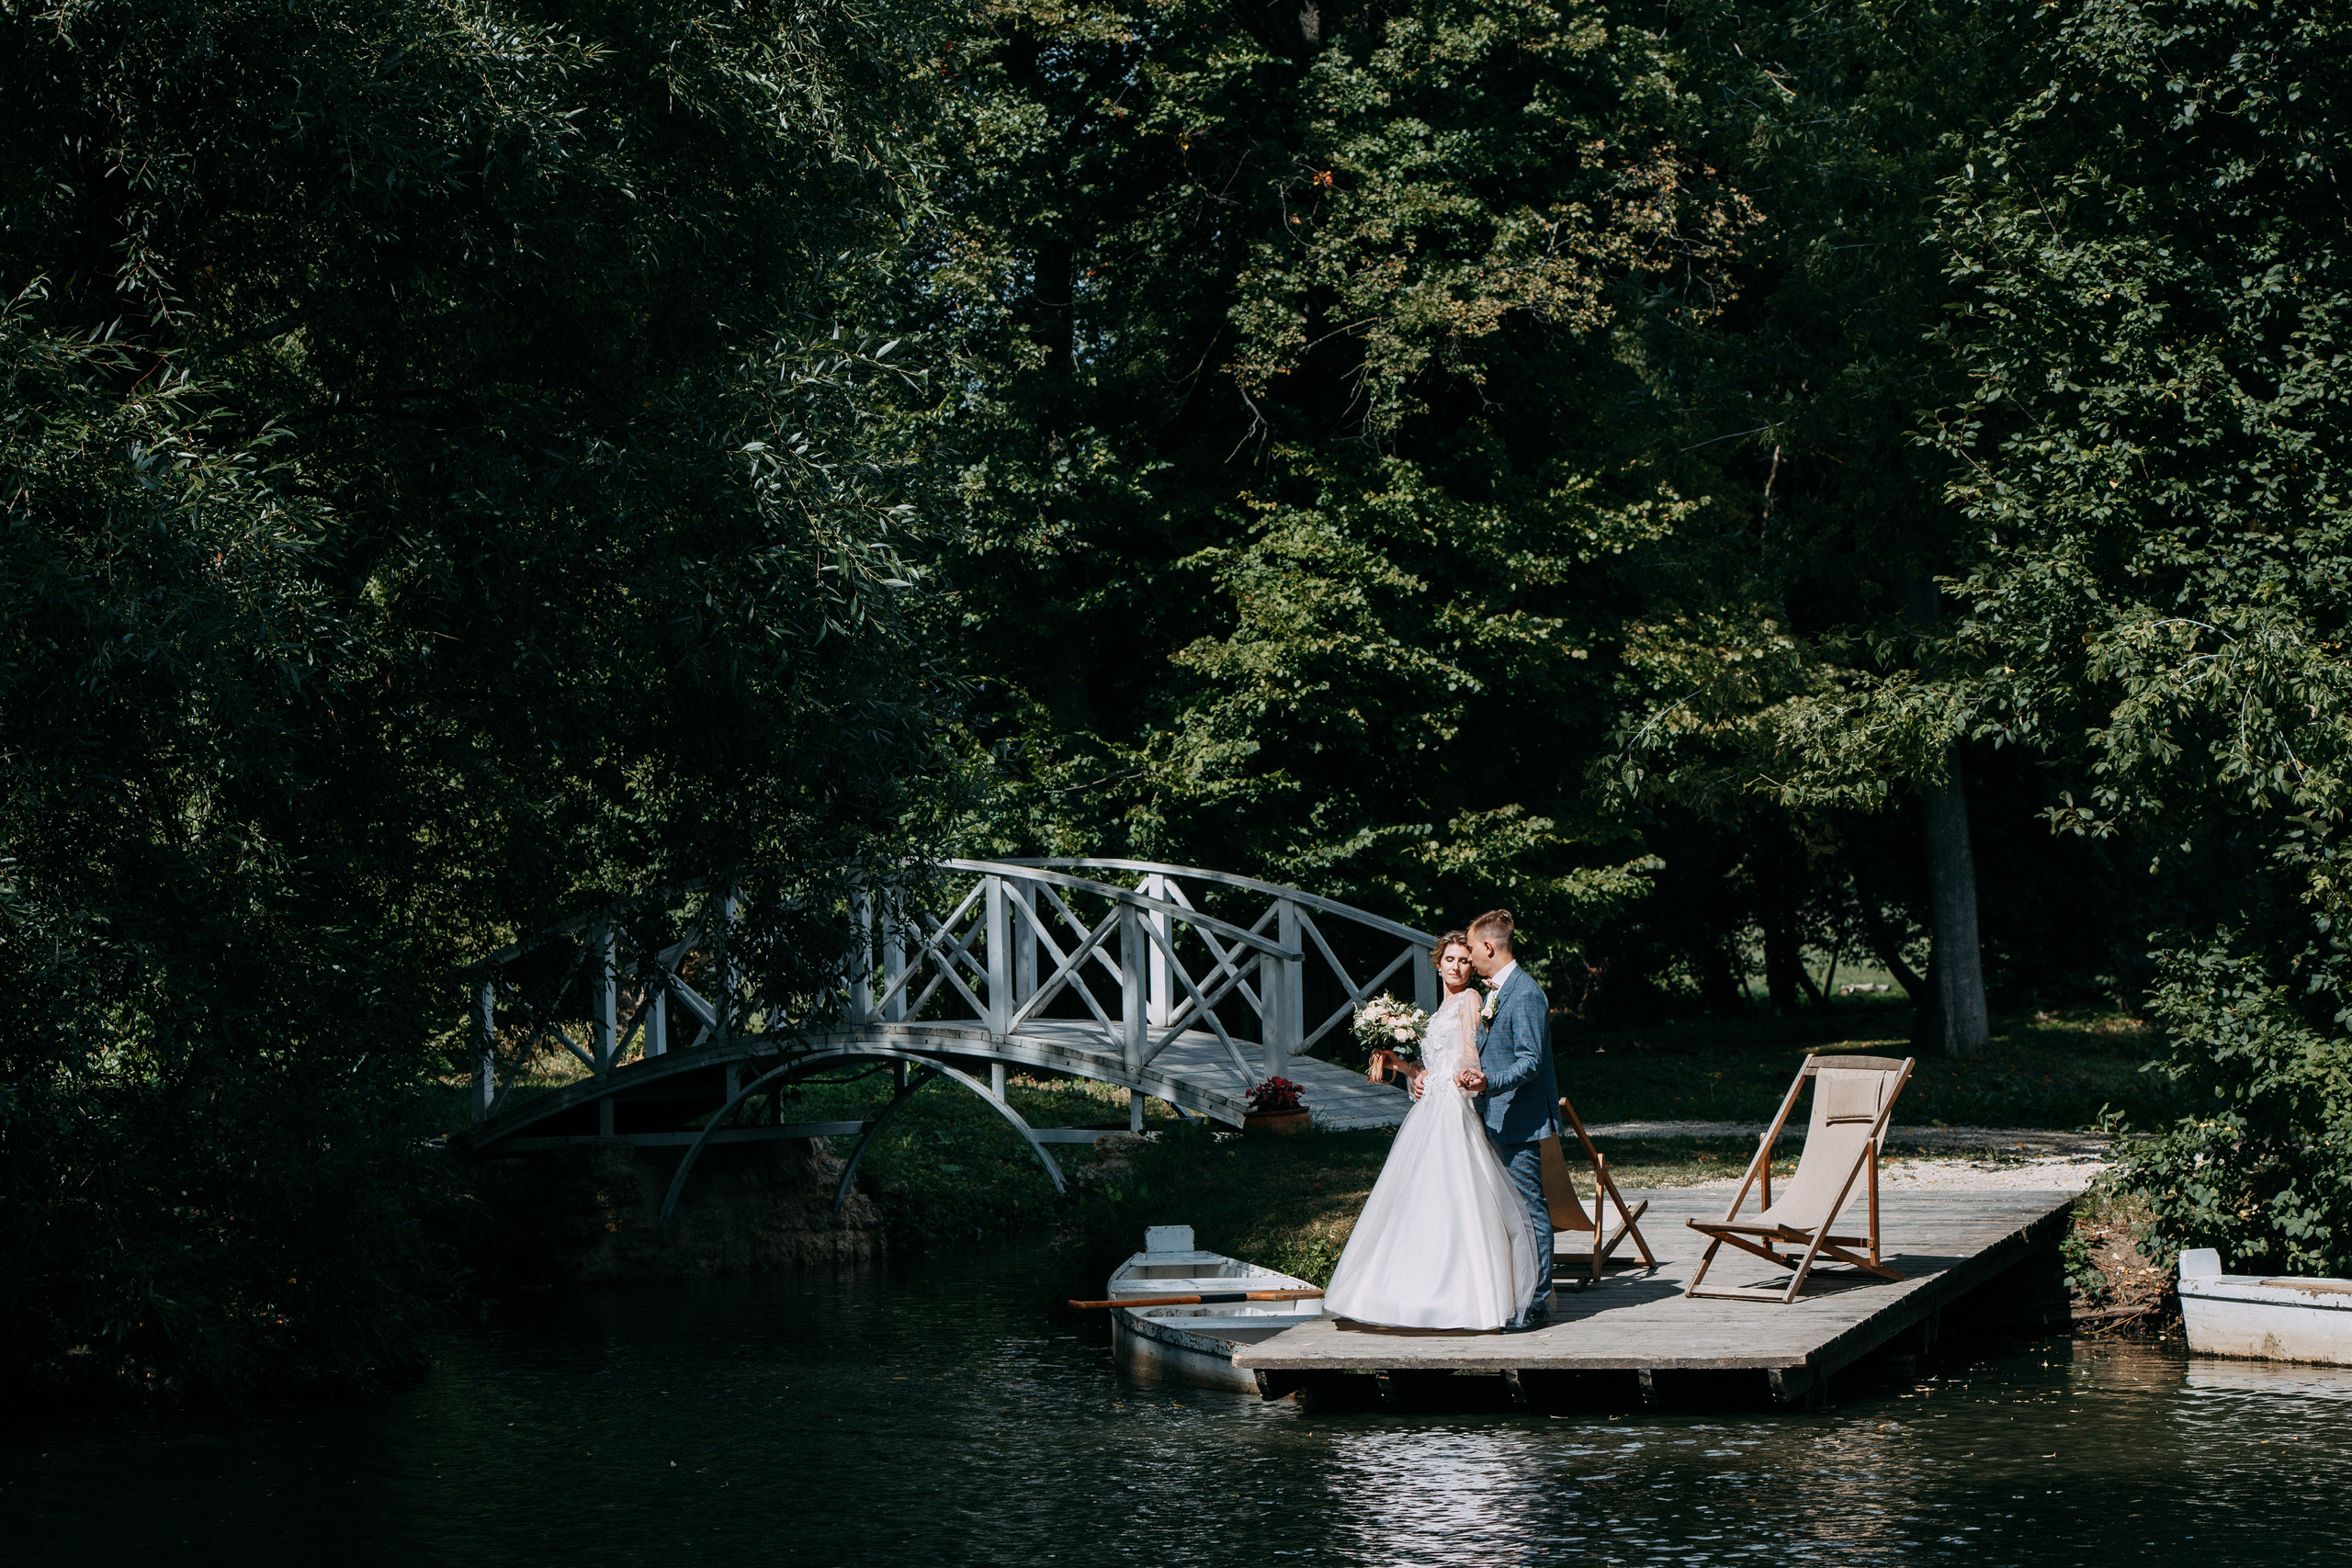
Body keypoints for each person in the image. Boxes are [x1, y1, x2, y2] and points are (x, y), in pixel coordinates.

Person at [1321, 931, 1539, 1330]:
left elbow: (1471, 1047)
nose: (1457, 967)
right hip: (1428, 1108)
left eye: (1464, 960)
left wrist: (1467, 1070)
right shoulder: (1435, 1011)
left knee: (1455, 1195)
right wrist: (1404, 1068)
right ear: (1438, 963)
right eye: (1450, 960)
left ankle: (1463, 1297)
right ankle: (1403, 1292)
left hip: (1452, 1105)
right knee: (1415, 1197)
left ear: (1472, 966)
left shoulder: (1472, 999)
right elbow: (1431, 1064)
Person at [1456, 908, 1561, 1327]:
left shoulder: (1527, 993)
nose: (1468, 955)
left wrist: (1487, 1083)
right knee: (1506, 1210)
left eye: (1470, 947)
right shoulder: (1499, 991)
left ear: (1488, 946)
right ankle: (1512, 1293)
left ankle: (1535, 1301)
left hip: (1519, 1119)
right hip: (1495, 1116)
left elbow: (1530, 1062)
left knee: (1530, 1208)